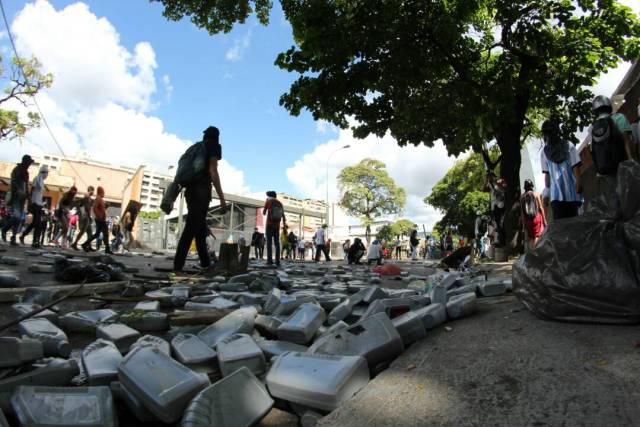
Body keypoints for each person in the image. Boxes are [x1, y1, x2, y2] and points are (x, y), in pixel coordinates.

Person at [174, 126, 227, 272]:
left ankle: (205, 263)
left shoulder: (196, 147)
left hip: (190, 192)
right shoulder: (214, 146)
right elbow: (213, 170)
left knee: (200, 229)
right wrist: (222, 198)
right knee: (191, 228)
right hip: (201, 191)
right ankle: (177, 266)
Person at [540, 120, 582, 220]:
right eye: (547, 132)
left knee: (575, 225)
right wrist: (546, 193)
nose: (549, 135)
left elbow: (575, 166)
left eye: (551, 131)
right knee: (562, 228)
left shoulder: (568, 145)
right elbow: (547, 175)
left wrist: (579, 181)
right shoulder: (544, 153)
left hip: (571, 194)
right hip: (558, 197)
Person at [2, 155, 34, 245]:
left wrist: (29, 198)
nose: (29, 165)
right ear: (24, 162)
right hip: (16, 196)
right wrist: (18, 190)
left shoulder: (26, 172)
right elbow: (13, 182)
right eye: (28, 162)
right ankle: (4, 229)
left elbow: (26, 186)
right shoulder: (17, 169)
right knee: (16, 216)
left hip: (23, 198)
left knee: (19, 218)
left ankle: (13, 238)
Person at [19, 165, 48, 248]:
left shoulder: (42, 181)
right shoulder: (37, 178)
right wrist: (30, 202)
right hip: (34, 203)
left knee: (35, 223)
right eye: (46, 173)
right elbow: (32, 189)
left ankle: (23, 235)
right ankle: (35, 241)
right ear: (43, 173)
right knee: (38, 223)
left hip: (39, 204)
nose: (46, 175)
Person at [82, 186, 111, 254]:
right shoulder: (98, 199)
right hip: (100, 220)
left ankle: (84, 244)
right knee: (105, 233)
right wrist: (99, 215)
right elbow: (94, 208)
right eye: (103, 192)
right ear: (100, 192)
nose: (104, 194)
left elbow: (100, 209)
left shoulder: (100, 199)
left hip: (101, 219)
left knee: (97, 234)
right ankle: (107, 249)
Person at [520, 179, 547, 249]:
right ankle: (535, 252)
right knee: (537, 236)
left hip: (527, 220)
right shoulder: (536, 194)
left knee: (531, 237)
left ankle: (533, 251)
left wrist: (523, 225)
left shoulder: (522, 197)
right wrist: (544, 220)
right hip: (536, 218)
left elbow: (522, 213)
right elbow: (541, 208)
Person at [263, 191, 286, 266]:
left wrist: (266, 203)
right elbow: (283, 215)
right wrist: (284, 226)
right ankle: (277, 261)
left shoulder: (269, 201)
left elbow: (263, 212)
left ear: (269, 196)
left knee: (269, 243)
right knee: (277, 244)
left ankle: (269, 261)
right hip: (277, 226)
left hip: (269, 225)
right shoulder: (280, 203)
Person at [485, 172, 506, 246]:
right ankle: (499, 240)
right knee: (497, 223)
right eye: (488, 177)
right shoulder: (489, 185)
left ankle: (502, 240)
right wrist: (486, 181)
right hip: (494, 206)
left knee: (501, 223)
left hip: (500, 204)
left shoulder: (500, 181)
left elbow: (504, 187)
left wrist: (496, 183)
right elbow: (484, 189)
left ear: (494, 177)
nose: (489, 179)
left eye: (490, 177)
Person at [71, 186, 94, 250]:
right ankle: (74, 243)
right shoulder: (87, 196)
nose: (93, 192)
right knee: (83, 231)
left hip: (87, 216)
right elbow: (86, 207)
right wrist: (88, 216)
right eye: (93, 191)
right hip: (86, 216)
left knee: (90, 232)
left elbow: (81, 204)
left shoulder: (88, 197)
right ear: (90, 190)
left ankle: (89, 246)